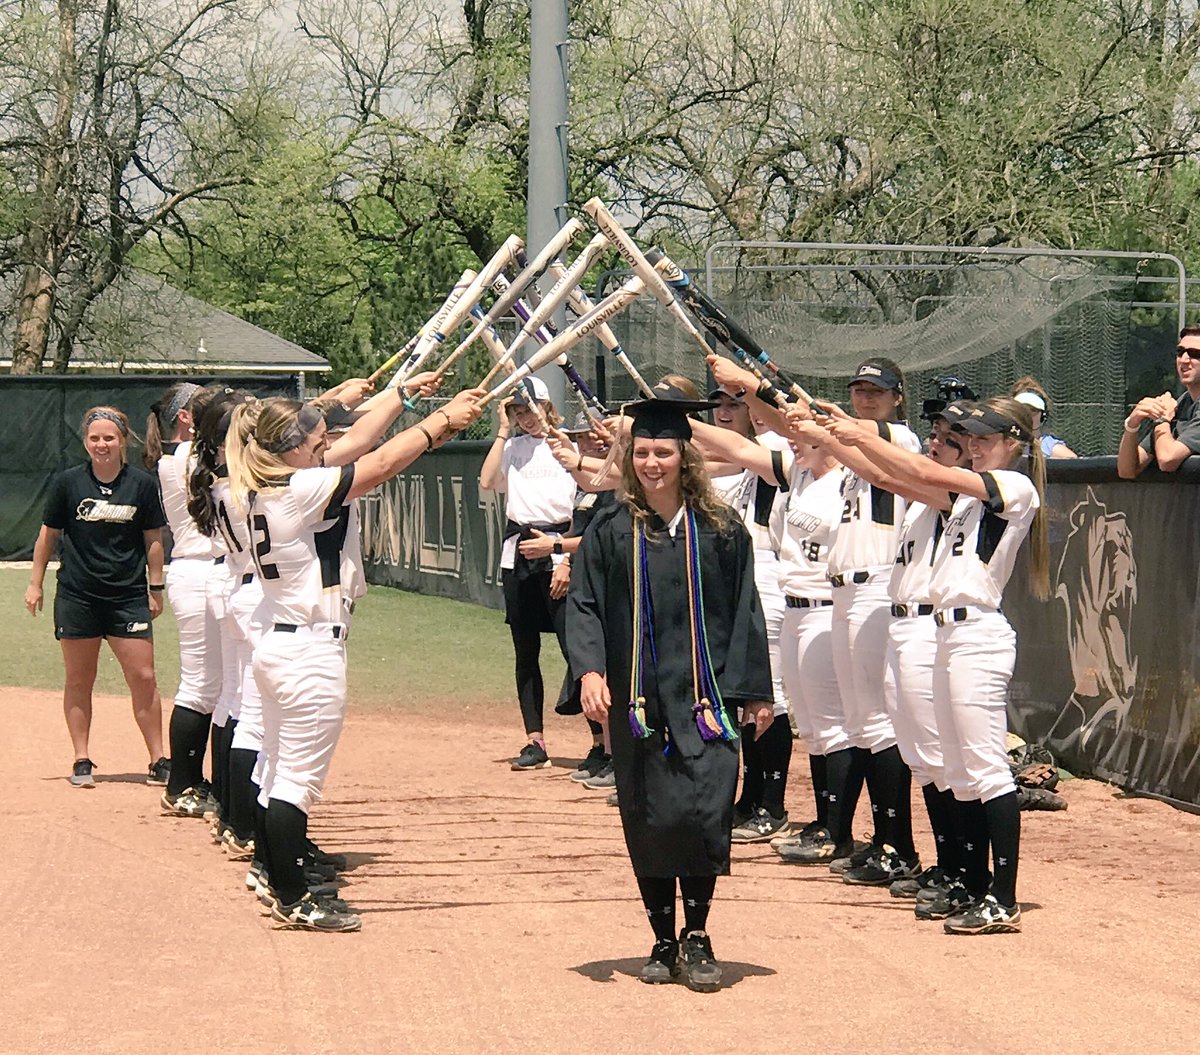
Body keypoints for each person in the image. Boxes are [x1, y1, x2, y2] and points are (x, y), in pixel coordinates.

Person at [225, 386, 482, 932]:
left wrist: (407, 401)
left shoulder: (260, 484)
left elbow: (365, 448)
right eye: (317, 444)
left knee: (275, 774)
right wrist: (440, 421)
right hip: (309, 648)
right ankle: (294, 897)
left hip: (281, 642)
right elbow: (381, 461)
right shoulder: (297, 488)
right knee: (294, 781)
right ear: (290, 449)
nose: (326, 449)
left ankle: (272, 875)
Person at [566, 391, 773, 993]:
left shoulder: (721, 529)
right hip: (638, 702)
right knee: (649, 817)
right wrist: (589, 672)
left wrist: (754, 691)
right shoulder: (610, 527)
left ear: (687, 457)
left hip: (706, 703)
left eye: (664, 452)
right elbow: (583, 606)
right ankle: (661, 937)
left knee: (705, 813)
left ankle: (699, 935)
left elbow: (745, 610)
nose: (653, 462)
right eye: (644, 452)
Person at [825, 396, 1050, 934]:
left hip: (979, 634)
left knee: (987, 769)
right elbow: (900, 477)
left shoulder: (1015, 486)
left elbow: (921, 468)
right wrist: (833, 434)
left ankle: (1004, 895)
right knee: (959, 769)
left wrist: (863, 436)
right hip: (948, 633)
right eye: (969, 437)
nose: (973, 445)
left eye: (984, 438)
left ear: (1013, 444)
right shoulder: (966, 497)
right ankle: (971, 880)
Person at [24, 405, 170, 787]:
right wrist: (35, 582)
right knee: (78, 679)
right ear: (86, 442)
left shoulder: (141, 484)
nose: (101, 444)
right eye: (94, 438)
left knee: (144, 676)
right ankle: (82, 759)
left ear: (123, 440)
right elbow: (48, 536)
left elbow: (153, 540)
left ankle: (158, 759)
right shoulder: (67, 483)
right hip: (78, 596)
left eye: (109, 437)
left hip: (126, 596)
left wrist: (156, 587)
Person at [479, 376, 579, 770]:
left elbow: (582, 498)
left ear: (547, 406)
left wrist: (567, 560)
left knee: (577, 646)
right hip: (519, 550)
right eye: (517, 411)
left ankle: (600, 743)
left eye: (529, 408)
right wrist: (503, 431)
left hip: (557, 546)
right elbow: (488, 482)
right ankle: (534, 739)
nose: (524, 417)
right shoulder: (513, 446)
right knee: (526, 650)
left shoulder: (566, 444)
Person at [144, 382, 222, 817]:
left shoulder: (199, 455)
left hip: (212, 574)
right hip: (198, 572)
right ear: (186, 419)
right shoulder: (180, 460)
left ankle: (200, 782)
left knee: (221, 686)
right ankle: (182, 784)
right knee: (201, 684)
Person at [1117, 325, 1200, 478]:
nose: (1184, 360)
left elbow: (1168, 460)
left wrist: (1161, 418)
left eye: (1195, 354)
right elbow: (1127, 470)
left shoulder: (1168, 412)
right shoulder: (1181, 404)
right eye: (1180, 352)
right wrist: (1132, 425)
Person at [1010, 377, 1077, 459]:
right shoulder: (1001, 444)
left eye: (1033, 411)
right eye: (1022, 410)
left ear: (1043, 416)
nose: (1027, 415)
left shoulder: (1050, 447)